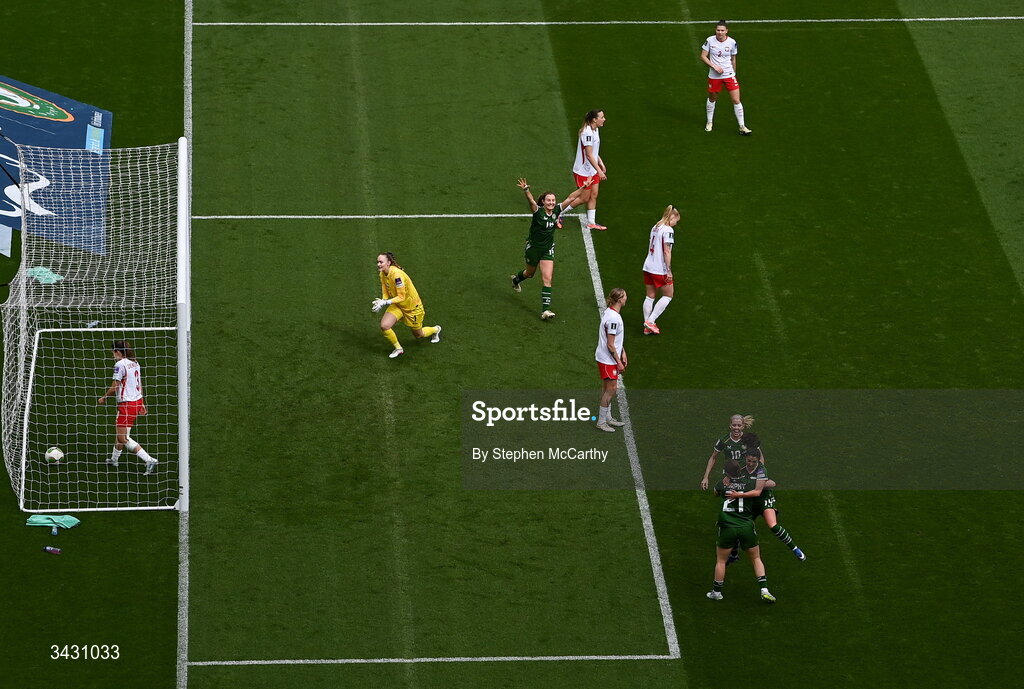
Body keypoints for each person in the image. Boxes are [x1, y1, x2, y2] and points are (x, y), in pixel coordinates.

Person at [510, 177, 594, 320]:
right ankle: (516, 280)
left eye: (553, 200)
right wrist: (526, 190)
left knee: (547, 279)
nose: (551, 202)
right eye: (548, 200)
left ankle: (545, 310)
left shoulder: (556, 210)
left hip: (547, 249)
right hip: (533, 249)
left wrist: (583, 187)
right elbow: (531, 202)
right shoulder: (538, 212)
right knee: (529, 274)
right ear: (543, 201)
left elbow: (571, 197)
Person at [707, 458, 776, 602]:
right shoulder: (750, 483)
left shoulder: (722, 483)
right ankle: (764, 589)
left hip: (727, 526)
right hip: (746, 526)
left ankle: (716, 592)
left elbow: (715, 493)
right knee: (756, 558)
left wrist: (726, 481)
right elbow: (768, 485)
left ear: (726, 472)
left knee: (721, 561)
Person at [737, 446, 806, 561]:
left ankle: (794, 548)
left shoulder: (761, 470)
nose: (751, 464)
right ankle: (734, 553)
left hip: (763, 498)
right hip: (749, 499)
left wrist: (743, 491)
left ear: (758, 460)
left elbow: (763, 488)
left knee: (773, 525)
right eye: (749, 461)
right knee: (740, 526)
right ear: (745, 458)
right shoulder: (741, 469)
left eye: (754, 461)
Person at [99, 340, 157, 475]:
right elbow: (139, 383)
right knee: (122, 434)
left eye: (113, 352)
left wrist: (104, 397)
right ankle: (114, 460)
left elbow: (115, 386)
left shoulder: (120, 364)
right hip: (136, 401)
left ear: (118, 352)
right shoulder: (135, 362)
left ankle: (149, 460)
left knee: (122, 438)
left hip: (127, 405)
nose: (113, 355)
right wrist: (142, 402)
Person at [373, 252, 441, 359]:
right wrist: (382, 300)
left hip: (412, 308)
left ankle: (436, 329)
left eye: (381, 262)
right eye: (377, 262)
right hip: (398, 306)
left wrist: (386, 302)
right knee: (384, 326)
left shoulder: (397, 275)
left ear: (388, 263)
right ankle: (398, 349)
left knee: (419, 335)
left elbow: (401, 297)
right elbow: (386, 291)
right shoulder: (382, 274)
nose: (378, 264)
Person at [701, 20, 752, 135]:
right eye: (718, 30)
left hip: (729, 75)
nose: (720, 32)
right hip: (714, 76)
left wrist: (733, 72)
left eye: (722, 30)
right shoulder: (709, 40)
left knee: (736, 100)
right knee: (713, 98)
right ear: (715, 30)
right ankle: (709, 122)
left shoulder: (732, 42)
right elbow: (703, 56)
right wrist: (714, 66)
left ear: (726, 31)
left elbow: (733, 58)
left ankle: (742, 126)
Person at [564, 109, 608, 230]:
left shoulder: (595, 129)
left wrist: (600, 162)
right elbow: (588, 155)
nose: (604, 119)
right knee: (584, 198)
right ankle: (559, 213)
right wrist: (599, 170)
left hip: (592, 170)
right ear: (594, 119)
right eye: (602, 117)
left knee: (594, 195)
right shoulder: (587, 133)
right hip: (583, 171)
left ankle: (591, 222)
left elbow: (594, 151)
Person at [641, 205, 680, 335]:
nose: (676, 224)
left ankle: (647, 327)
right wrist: (668, 270)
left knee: (650, 295)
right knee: (668, 295)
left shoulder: (655, 226)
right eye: (676, 221)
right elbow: (666, 251)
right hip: (659, 269)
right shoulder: (668, 230)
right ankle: (650, 321)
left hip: (648, 266)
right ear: (672, 217)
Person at [595, 288, 628, 432]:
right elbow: (610, 343)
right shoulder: (614, 318)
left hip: (605, 357)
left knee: (607, 388)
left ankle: (607, 418)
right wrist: (618, 361)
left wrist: (623, 351)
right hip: (608, 360)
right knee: (611, 389)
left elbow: (615, 340)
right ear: (620, 299)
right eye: (625, 296)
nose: (626, 298)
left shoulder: (609, 312)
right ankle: (601, 422)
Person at [700, 414, 762, 490]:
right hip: (729, 474)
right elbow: (713, 457)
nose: (736, 428)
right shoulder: (724, 440)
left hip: (745, 473)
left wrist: (760, 474)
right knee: (728, 496)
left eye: (739, 425)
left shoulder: (749, 439)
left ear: (743, 426)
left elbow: (760, 457)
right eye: (734, 425)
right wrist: (705, 477)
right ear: (730, 426)